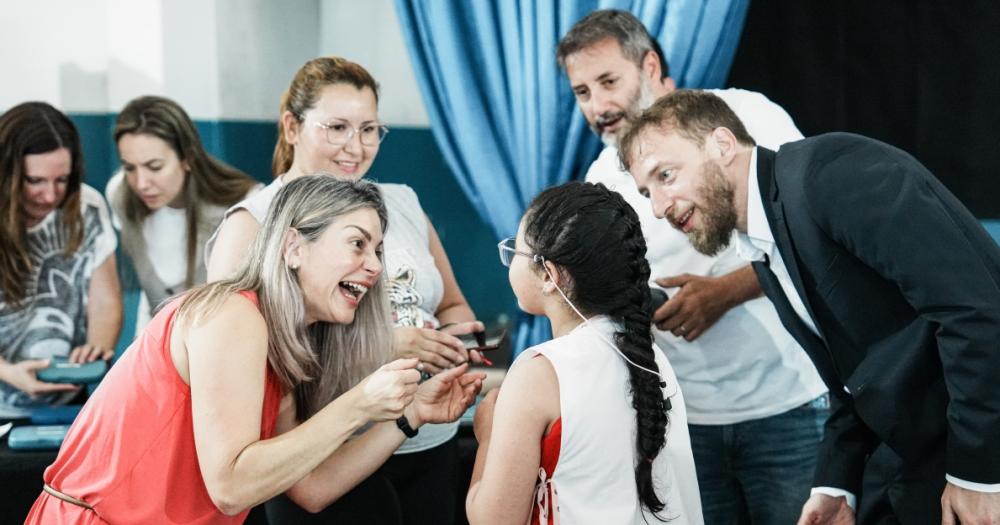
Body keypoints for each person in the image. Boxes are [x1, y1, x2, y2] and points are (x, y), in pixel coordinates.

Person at [619, 89, 1000, 525]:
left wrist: (980, 475)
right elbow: (853, 375)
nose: (659, 207)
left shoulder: (830, 173)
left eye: (665, 175)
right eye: (646, 192)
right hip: (912, 470)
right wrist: (836, 484)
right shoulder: (762, 243)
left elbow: (976, 310)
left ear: (722, 145)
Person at [25, 175, 484, 524]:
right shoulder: (232, 315)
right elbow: (231, 485)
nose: (374, 266)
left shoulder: (284, 343)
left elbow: (311, 486)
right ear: (293, 247)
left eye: (379, 250)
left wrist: (411, 415)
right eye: (358, 244)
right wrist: (361, 400)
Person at [556, 9, 827, 523]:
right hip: (683, 421)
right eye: (583, 92)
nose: (598, 106)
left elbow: (808, 233)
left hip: (790, 406)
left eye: (609, 81)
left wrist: (724, 291)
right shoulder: (601, 178)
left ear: (651, 64)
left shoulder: (743, 116)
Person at [206, 56, 485, 523]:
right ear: (292, 127)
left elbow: (452, 302)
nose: (355, 147)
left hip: (425, 435)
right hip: (326, 452)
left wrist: (453, 345)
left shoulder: (401, 201)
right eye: (337, 127)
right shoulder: (254, 221)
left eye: (369, 129)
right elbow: (243, 364)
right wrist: (379, 347)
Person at [466, 181, 702, 524]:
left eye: (515, 251)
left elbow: (492, 520)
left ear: (549, 275)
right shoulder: (651, 357)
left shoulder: (539, 372)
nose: (510, 261)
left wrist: (488, 437)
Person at [0, 102, 121, 419]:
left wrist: (96, 347)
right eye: (35, 181)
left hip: (68, 400)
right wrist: (8, 372)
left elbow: (105, 300)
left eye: (62, 179)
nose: (51, 195)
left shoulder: (87, 206)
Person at [107, 95, 261, 322]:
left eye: (154, 167)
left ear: (187, 157)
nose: (141, 183)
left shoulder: (245, 205)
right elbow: (148, 301)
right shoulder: (119, 193)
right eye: (129, 168)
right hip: (155, 345)